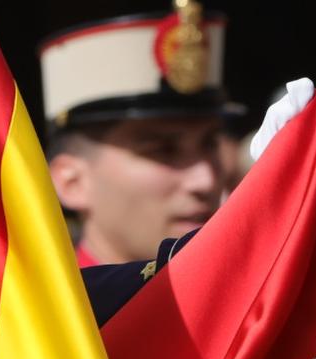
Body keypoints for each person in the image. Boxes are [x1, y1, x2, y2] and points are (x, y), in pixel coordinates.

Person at [40, 1, 244, 265]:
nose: (205, 180)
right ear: (72, 183)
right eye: (163, 150)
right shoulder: (37, 307)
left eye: (209, 144)